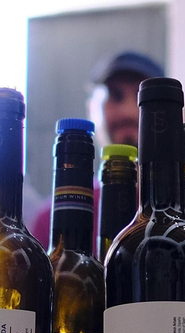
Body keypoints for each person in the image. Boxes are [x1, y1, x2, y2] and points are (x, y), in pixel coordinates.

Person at [29, 50, 162, 244]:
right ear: (92, 108)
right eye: (115, 96)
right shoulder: (50, 221)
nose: (128, 112)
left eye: (142, 98)